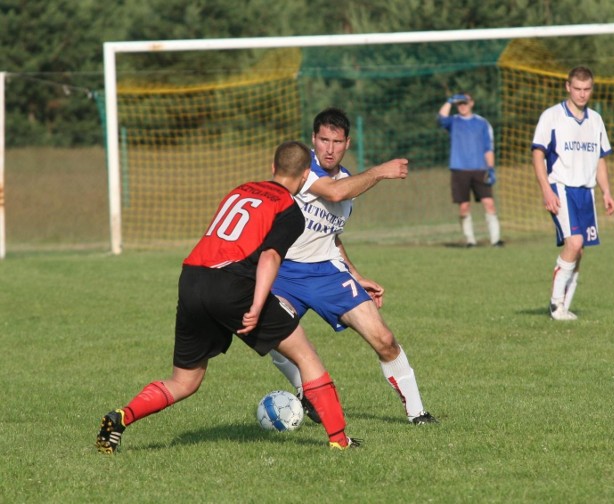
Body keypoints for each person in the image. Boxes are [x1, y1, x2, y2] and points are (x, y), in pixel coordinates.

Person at [96, 141, 361, 453]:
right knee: (305, 357)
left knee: (185, 381)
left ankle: (122, 417)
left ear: (273, 167)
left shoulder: (240, 189)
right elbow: (270, 257)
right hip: (233, 285)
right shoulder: (290, 210)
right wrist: (259, 303)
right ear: (305, 176)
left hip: (192, 278)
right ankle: (339, 441)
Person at [269, 107, 438, 425]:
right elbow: (334, 192)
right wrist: (380, 171)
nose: (328, 148)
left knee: (384, 339)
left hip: (328, 273)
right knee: (273, 334)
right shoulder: (301, 170)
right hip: (285, 272)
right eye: (323, 140)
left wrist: (357, 275)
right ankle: (306, 392)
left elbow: (332, 235)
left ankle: (418, 413)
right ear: (313, 140)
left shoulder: (349, 180)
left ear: (347, 143)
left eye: (336, 141)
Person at [532, 66, 614, 321]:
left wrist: (606, 192)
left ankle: (565, 306)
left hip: (586, 192)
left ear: (591, 88)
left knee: (580, 250)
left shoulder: (596, 120)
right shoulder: (552, 116)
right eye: (577, 89)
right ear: (568, 87)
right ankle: (556, 305)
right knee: (574, 243)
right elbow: (538, 154)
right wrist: (546, 189)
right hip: (561, 188)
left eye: (586, 89)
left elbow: (600, 159)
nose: (582, 94)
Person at [438, 92, 504, 247]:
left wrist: (491, 169)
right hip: (459, 169)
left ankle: (496, 240)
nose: (462, 106)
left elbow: (489, 148)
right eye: (459, 103)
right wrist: (449, 101)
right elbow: (441, 119)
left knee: (489, 203)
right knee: (464, 206)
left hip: (480, 169)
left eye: (465, 103)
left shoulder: (482, 123)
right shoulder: (453, 122)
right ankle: (470, 240)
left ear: (471, 103)